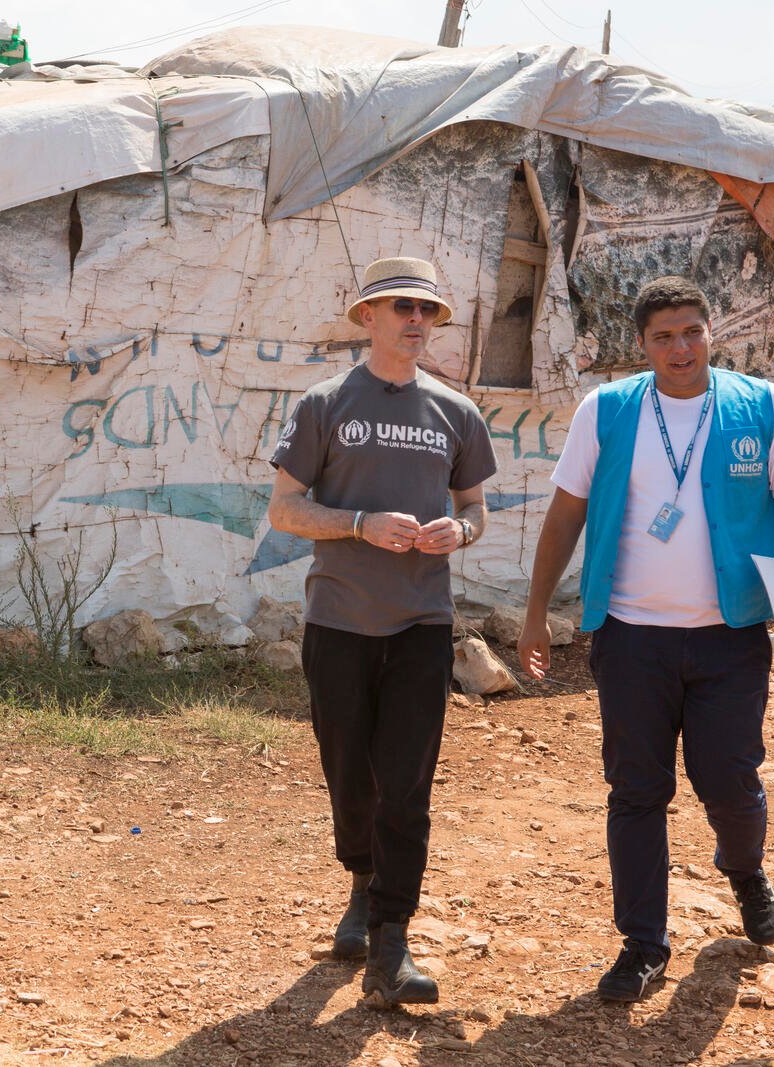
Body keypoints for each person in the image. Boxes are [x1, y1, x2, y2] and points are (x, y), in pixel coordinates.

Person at [516, 276, 774, 1003]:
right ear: (643, 344)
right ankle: (642, 944)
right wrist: (538, 609)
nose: (681, 348)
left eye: (692, 331)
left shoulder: (763, 407)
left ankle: (745, 868)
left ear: (711, 331)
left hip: (730, 637)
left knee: (729, 778)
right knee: (636, 789)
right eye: (664, 336)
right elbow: (565, 514)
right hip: (631, 638)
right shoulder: (606, 411)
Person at [267, 256, 497, 1007]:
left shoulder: (457, 413)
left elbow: (476, 509)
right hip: (337, 620)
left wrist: (456, 533)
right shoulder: (324, 403)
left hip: (422, 623)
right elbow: (285, 510)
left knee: (407, 781)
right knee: (349, 775)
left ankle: (390, 938)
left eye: (428, 310)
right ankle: (361, 881)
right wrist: (361, 524)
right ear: (366, 315)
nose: (417, 320)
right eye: (402, 306)